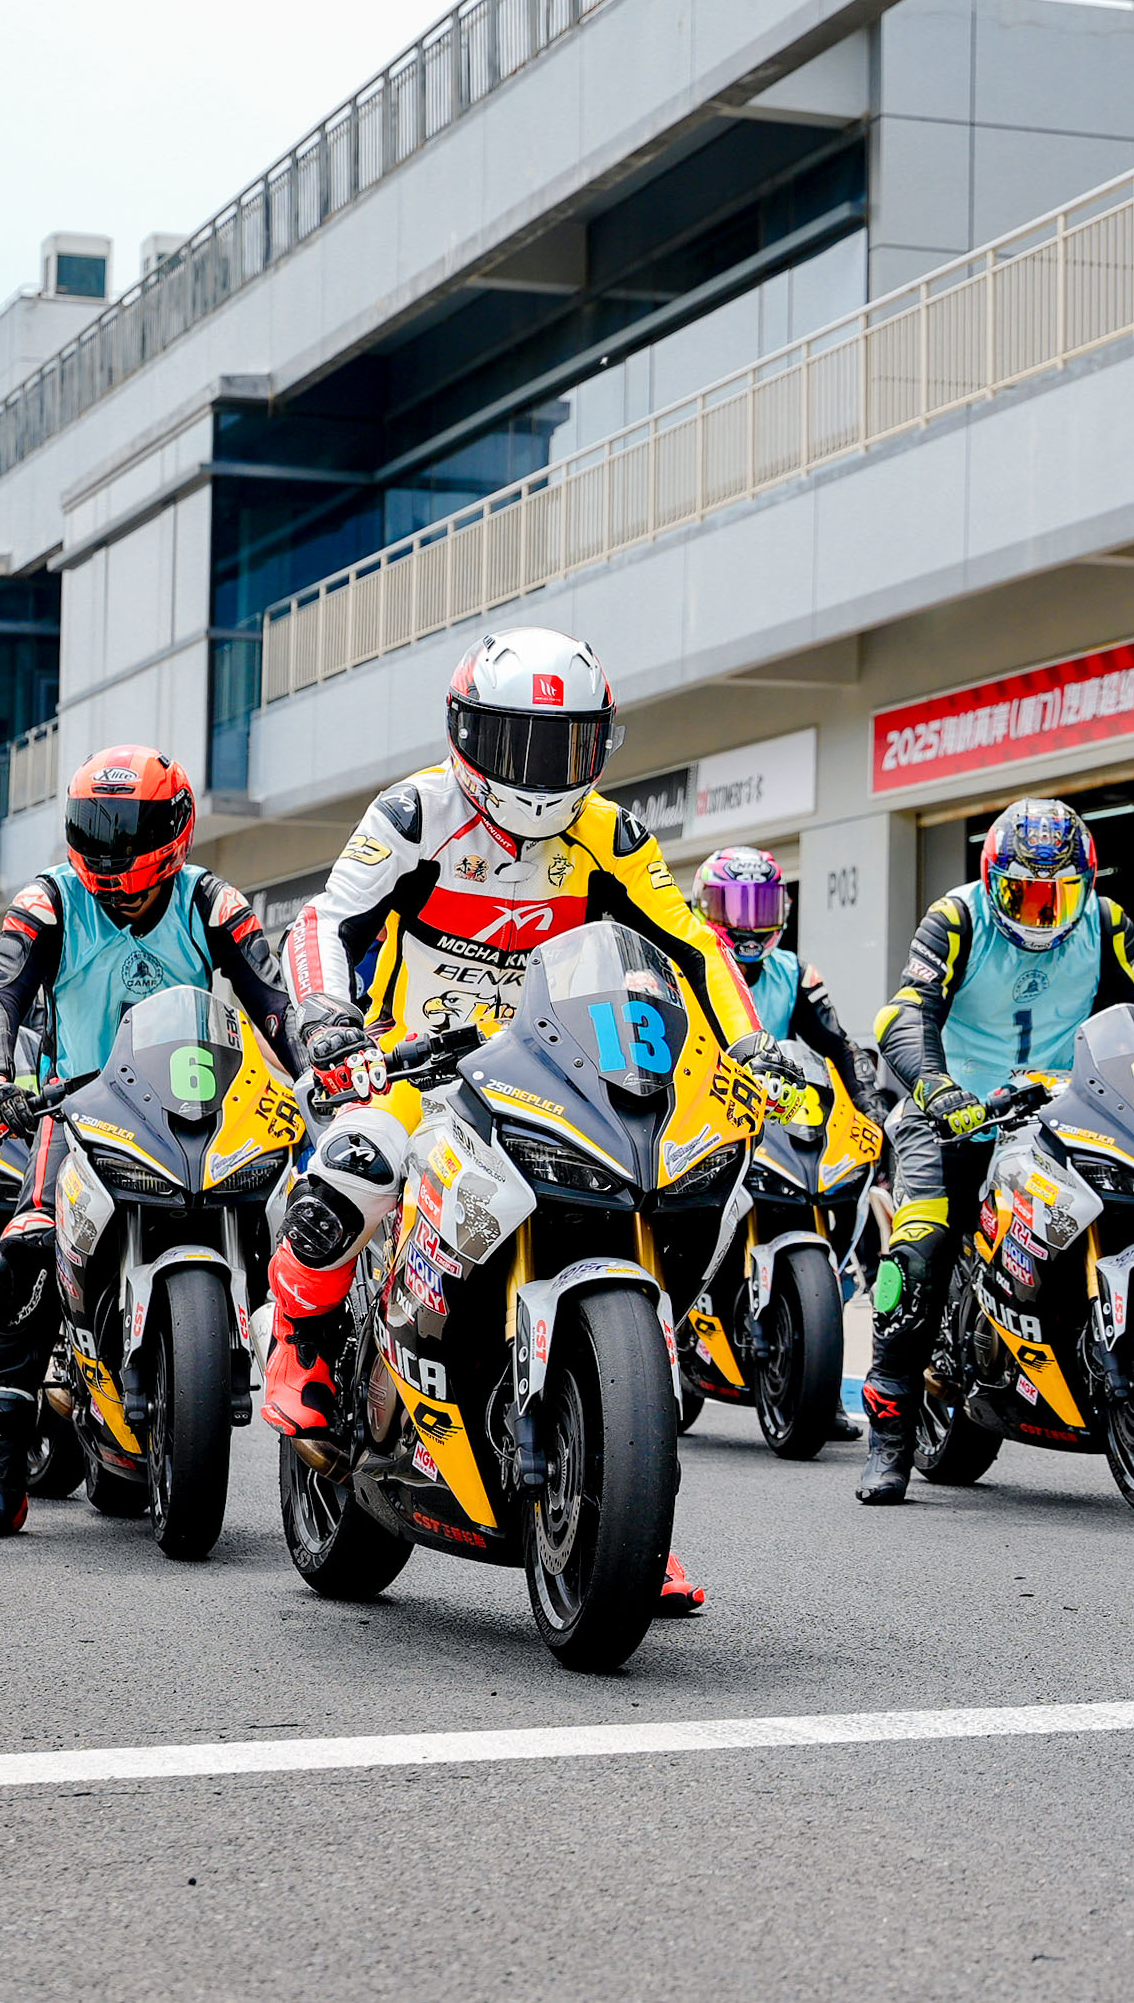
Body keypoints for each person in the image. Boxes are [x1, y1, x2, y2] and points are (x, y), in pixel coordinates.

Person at [257, 628, 794, 1613]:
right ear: (466, 734)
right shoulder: (414, 813)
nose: (539, 770)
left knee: (687, 1178)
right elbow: (325, 920)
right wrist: (328, 1020)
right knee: (357, 1158)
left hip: (562, 1071)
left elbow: (692, 946)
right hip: (417, 1069)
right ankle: (301, 1342)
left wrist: (752, 1044)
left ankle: (629, 1513)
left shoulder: (612, 835)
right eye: (516, 742)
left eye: (564, 745)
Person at [0, 748, 297, 1539]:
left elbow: (274, 1000)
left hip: (203, 1106)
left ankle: (324, 1446)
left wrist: (318, 1068)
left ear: (174, 827)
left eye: (127, 831)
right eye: (94, 830)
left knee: (299, 1222)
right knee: (20, 1251)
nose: (109, 852)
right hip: (80, 1110)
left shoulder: (211, 899)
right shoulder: (47, 901)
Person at [857, 797, 1134, 1505]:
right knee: (920, 1247)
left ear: (1087, 885)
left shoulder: (1105, 923)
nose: (1042, 913)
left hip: (1059, 1107)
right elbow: (905, 1011)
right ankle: (889, 1436)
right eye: (1024, 895)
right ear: (992, 881)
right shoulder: (956, 918)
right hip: (954, 1111)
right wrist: (938, 1088)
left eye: (1058, 896)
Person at [692, 845, 869, 1443]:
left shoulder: (796, 973)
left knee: (841, 1199)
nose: (747, 923)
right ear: (705, 907)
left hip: (779, 1113)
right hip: (703, 1110)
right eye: (733, 907)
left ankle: (815, 1377)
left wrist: (868, 1108)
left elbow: (837, 1046)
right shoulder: (687, 959)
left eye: (760, 906)